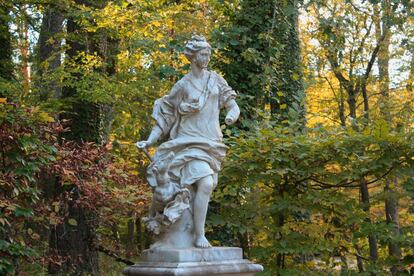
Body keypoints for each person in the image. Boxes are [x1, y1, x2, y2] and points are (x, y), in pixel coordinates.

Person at [137, 35, 240, 248]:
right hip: (187, 143)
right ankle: (199, 236)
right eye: (203, 54)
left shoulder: (216, 80)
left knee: (202, 188)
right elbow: (165, 116)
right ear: (193, 57)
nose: (207, 58)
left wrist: (231, 116)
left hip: (211, 142)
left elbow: (232, 105)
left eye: (209, 54)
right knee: (206, 183)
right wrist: (149, 141)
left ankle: (188, 234)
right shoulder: (182, 85)